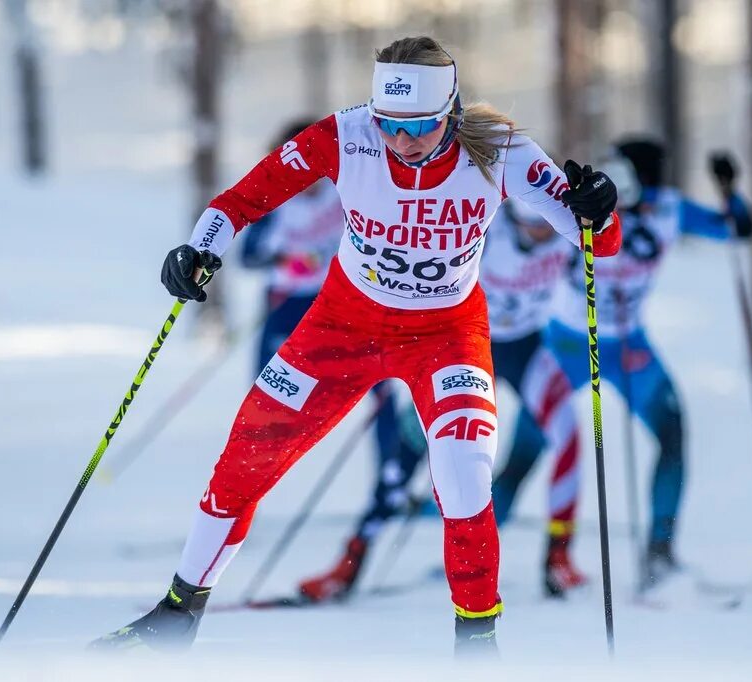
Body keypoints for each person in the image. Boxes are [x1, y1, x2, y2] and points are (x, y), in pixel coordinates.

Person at [92, 35, 621, 655]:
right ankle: (176, 614)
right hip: (343, 327)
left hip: (447, 336)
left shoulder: (501, 153)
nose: (402, 142)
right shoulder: (347, 136)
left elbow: (597, 242)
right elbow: (241, 201)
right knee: (243, 463)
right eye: (391, 125)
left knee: (464, 477)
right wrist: (199, 251)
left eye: (420, 126)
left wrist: (598, 210)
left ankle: (478, 646)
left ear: (450, 113)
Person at [295, 199, 588, 603]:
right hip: (463, 346)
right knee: (410, 450)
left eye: (545, 229)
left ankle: (558, 557)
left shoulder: (567, 236)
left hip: (525, 348)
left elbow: (610, 250)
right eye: (530, 228)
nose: (539, 237)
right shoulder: (487, 226)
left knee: (569, 436)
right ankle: (350, 563)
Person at [528, 138, 752, 590]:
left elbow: (736, 229)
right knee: (527, 447)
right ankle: (511, 551)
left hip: (629, 345)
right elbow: (530, 231)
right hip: (570, 340)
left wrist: (729, 191)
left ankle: (659, 552)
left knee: (672, 435)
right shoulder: (590, 197)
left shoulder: (668, 208)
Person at [240, 120, 418, 533]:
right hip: (286, 304)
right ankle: (242, 498)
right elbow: (249, 256)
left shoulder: (346, 188)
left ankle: (390, 489)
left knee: (381, 392)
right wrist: (286, 261)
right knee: (269, 402)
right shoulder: (276, 197)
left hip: (341, 305)